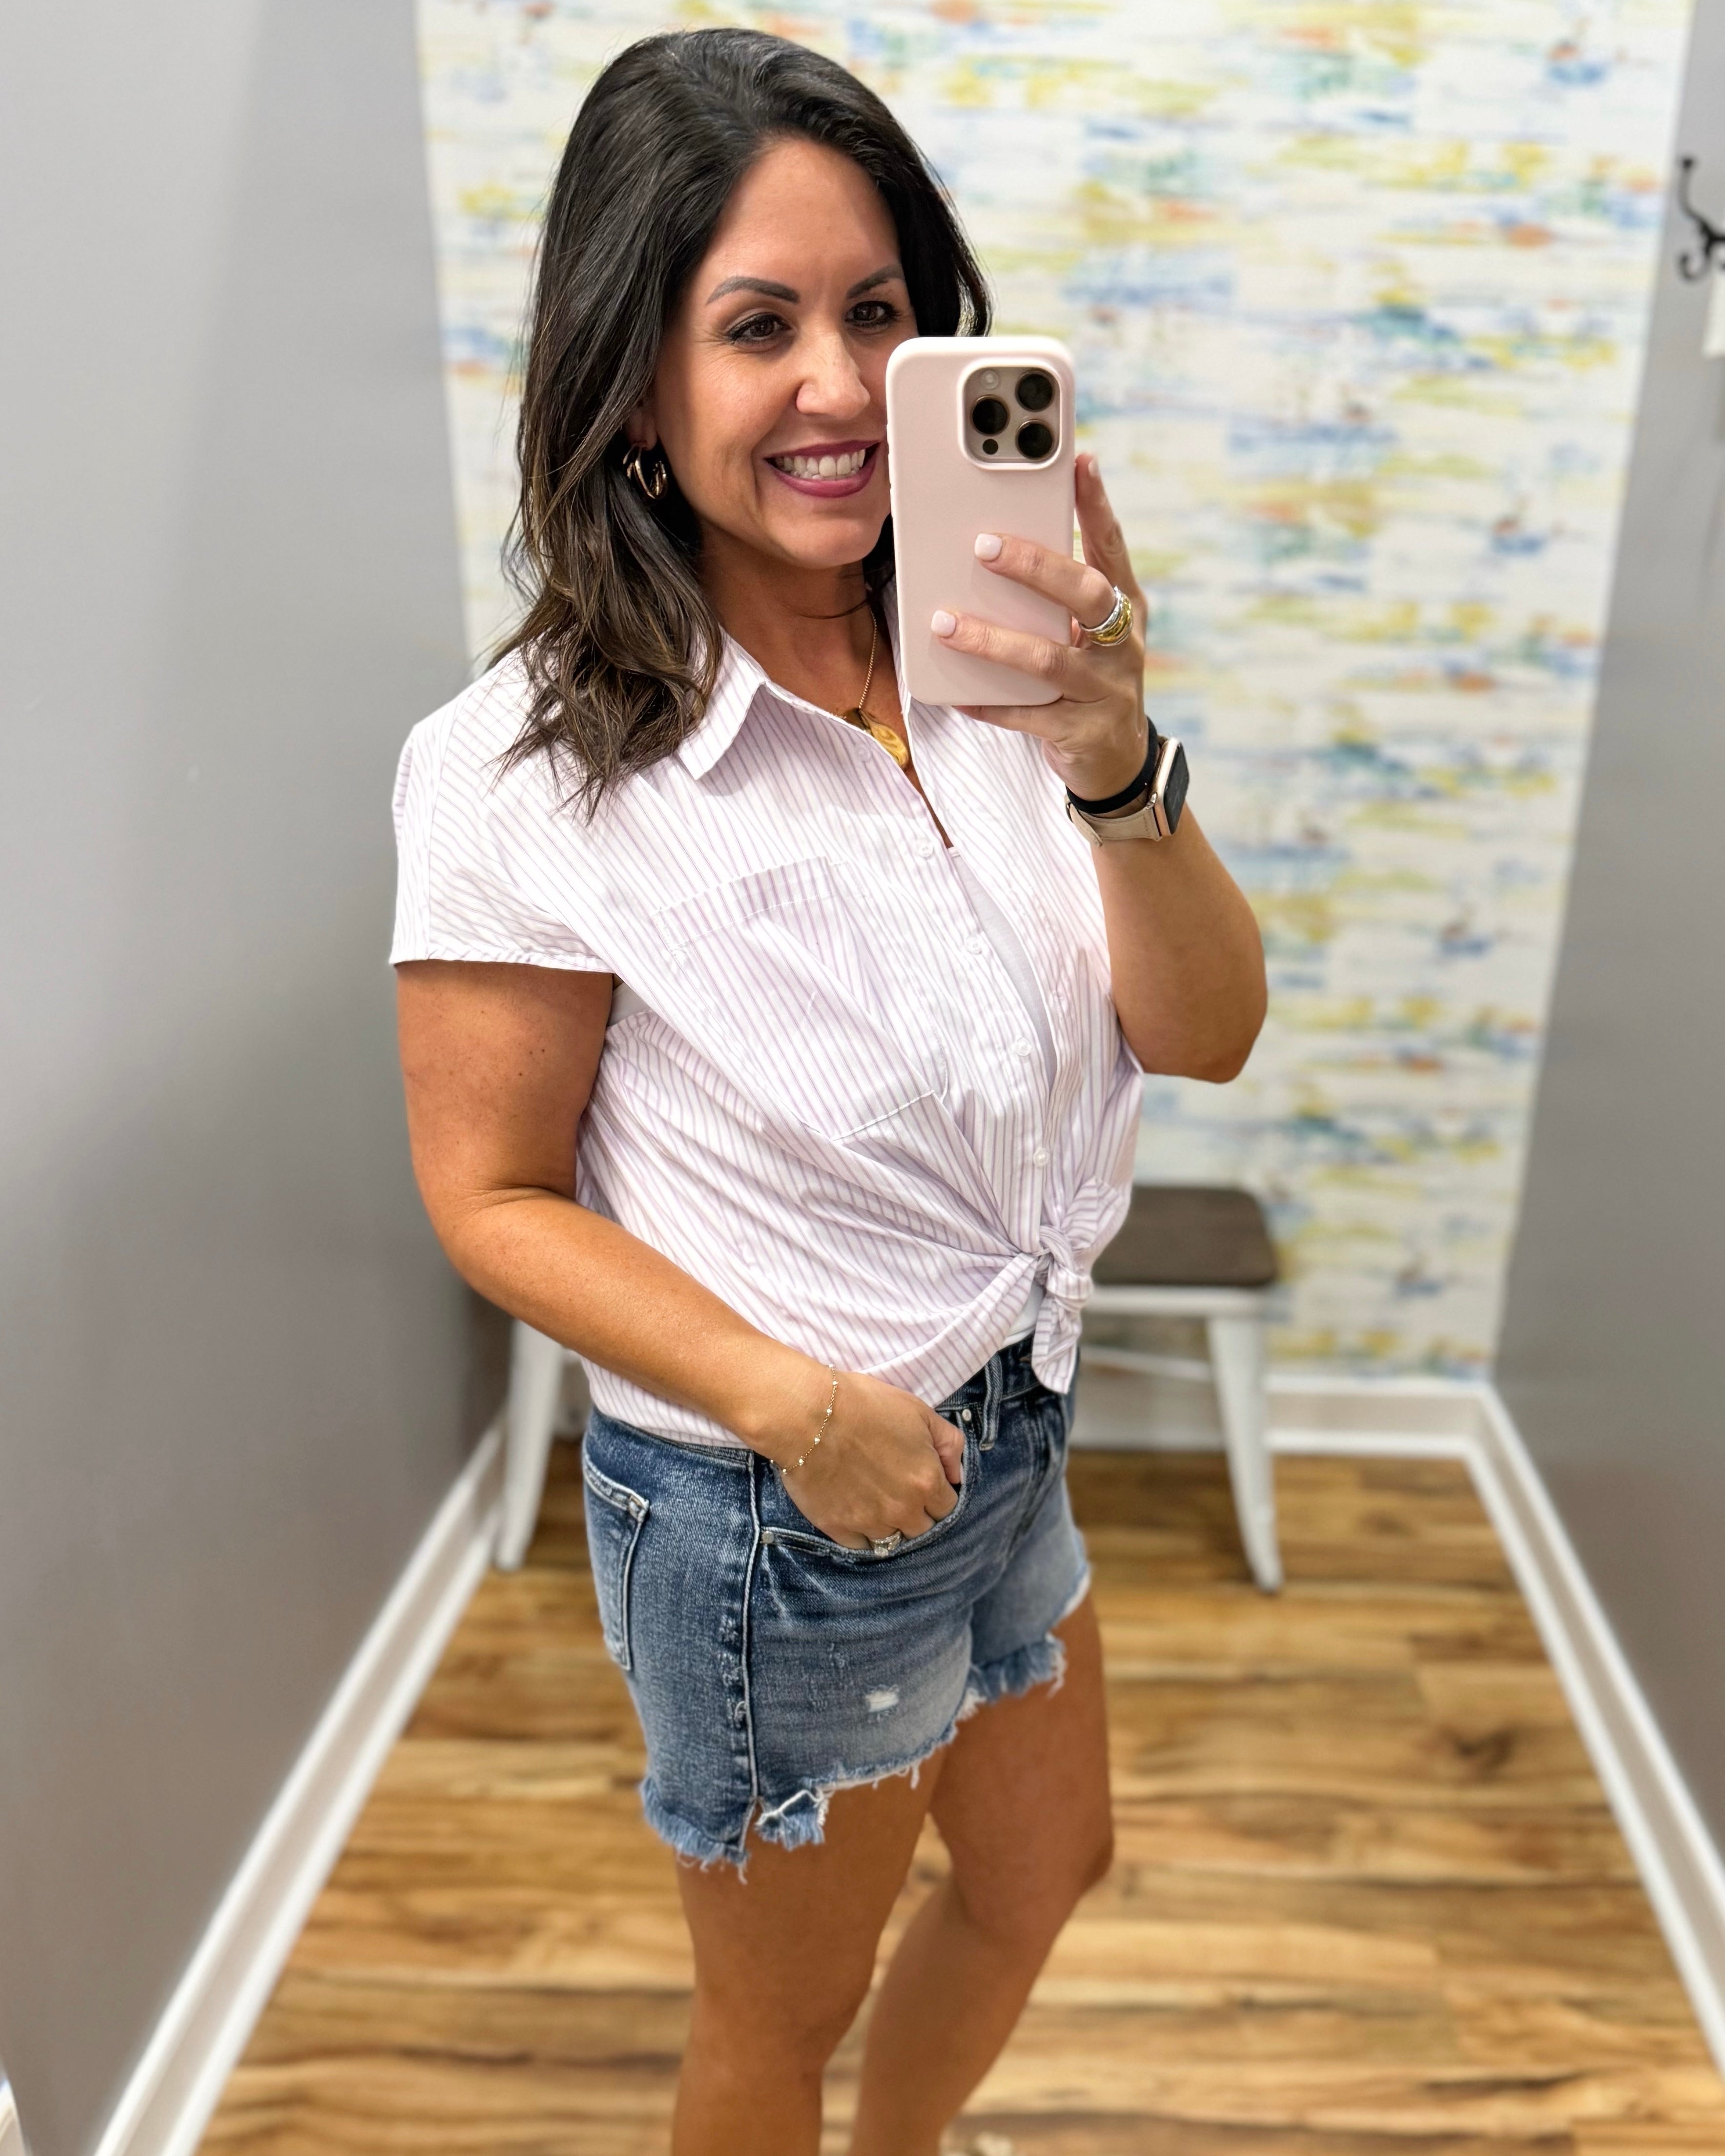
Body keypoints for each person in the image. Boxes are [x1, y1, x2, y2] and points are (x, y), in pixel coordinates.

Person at [392, 27, 1265, 2156]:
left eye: (877, 313)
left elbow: (1207, 1030)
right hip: (784, 1502)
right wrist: (797, 1405)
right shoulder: (527, 772)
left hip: (1008, 1412)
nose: (837, 383)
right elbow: (490, 1195)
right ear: (629, 379)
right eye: (755, 324)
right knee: (773, 2016)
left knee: (1047, 1870)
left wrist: (1107, 756)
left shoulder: (1001, 659)